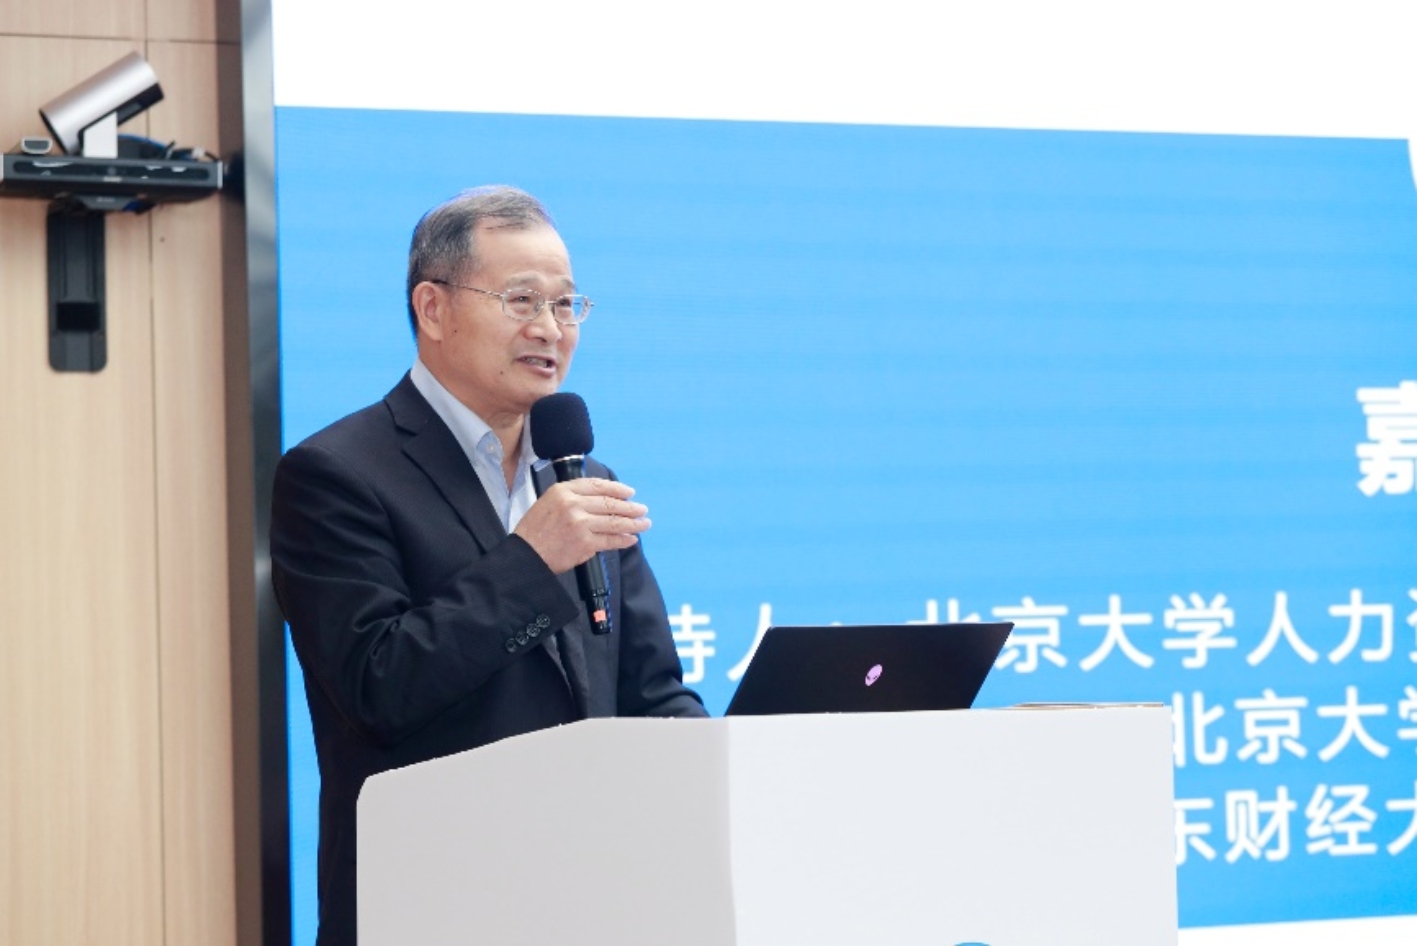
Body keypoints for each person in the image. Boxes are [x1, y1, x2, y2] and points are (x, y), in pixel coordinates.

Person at [270, 186, 706, 945]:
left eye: (566, 305)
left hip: (591, 902)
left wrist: (725, 771)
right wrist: (532, 560)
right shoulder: (336, 475)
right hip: (428, 904)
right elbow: (377, 686)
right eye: (522, 300)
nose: (551, 329)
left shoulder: (580, 478)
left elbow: (650, 692)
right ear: (433, 309)